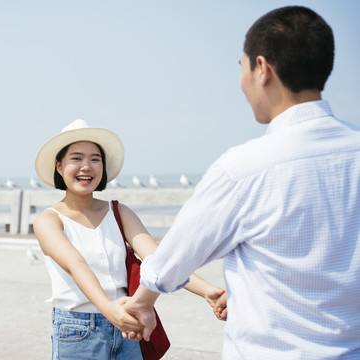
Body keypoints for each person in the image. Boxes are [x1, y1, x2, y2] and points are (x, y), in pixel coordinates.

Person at [124, 6, 360, 359]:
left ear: (262, 68)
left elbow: (174, 257)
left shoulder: (245, 168)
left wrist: (142, 304)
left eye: (242, 67)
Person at [33, 119, 227, 359]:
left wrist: (208, 291)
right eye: (76, 158)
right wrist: (109, 310)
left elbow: (159, 259)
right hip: (77, 331)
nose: (86, 166)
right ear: (59, 166)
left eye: (95, 159)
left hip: (127, 327)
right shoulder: (48, 220)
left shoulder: (119, 212)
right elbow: (76, 264)